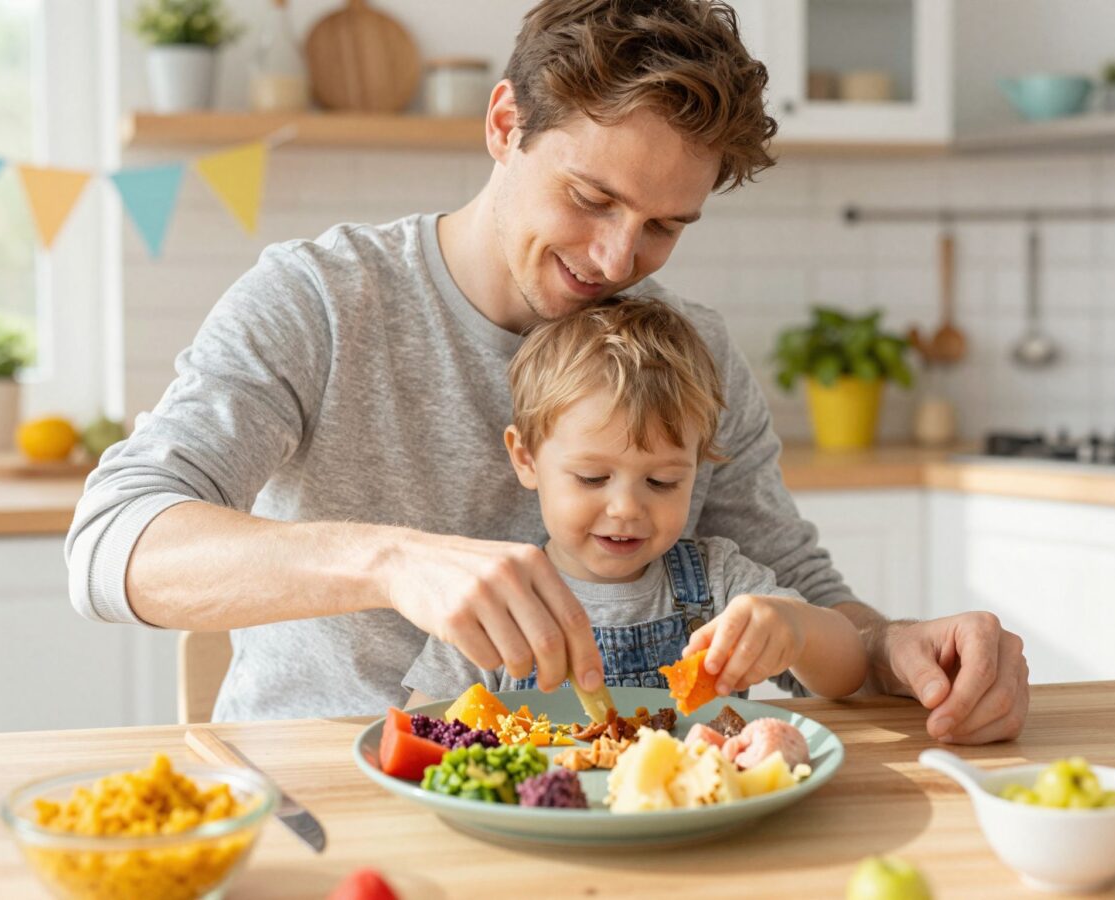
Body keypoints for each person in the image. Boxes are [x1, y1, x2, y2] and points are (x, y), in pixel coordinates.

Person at [66, 0, 1027, 742]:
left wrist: (891, 647)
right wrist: (392, 561)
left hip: (599, 810)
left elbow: (805, 592)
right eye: (590, 197)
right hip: (326, 801)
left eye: (663, 227)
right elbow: (111, 544)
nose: (616, 260)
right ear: (503, 125)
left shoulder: (688, 347)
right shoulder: (321, 299)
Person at [405, 298, 868, 705]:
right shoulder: (498, 599)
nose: (625, 507)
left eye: (662, 481)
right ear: (526, 458)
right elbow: (423, 728)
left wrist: (798, 629)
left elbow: (847, 674)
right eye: (592, 477)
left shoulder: (721, 584)